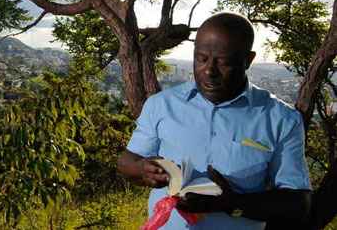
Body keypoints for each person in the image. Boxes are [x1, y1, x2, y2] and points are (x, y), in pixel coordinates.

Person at [117, 13, 311, 229]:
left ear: (248, 60)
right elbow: (126, 162)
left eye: (224, 62)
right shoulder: (161, 105)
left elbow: (298, 203)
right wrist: (143, 169)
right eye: (201, 59)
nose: (209, 71)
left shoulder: (280, 119)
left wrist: (231, 203)